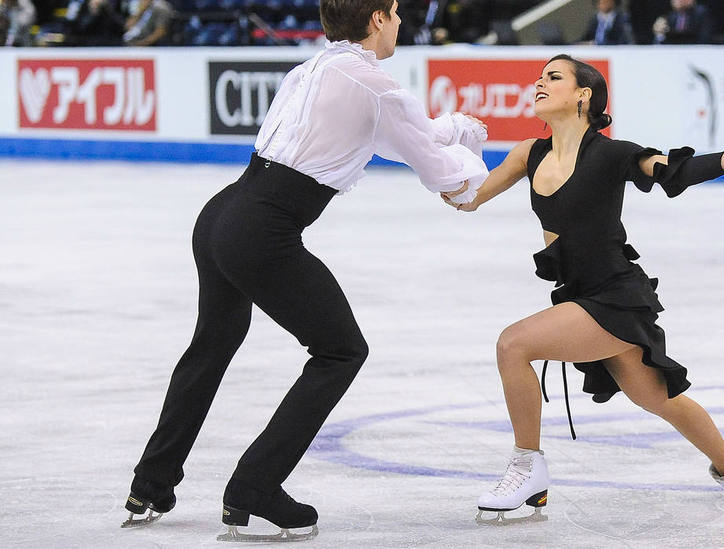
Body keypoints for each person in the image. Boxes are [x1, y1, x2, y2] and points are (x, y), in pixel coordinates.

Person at [123, 0, 489, 541]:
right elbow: (435, 171)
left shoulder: (314, 68)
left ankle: (150, 485)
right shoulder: (376, 86)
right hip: (260, 232)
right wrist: (472, 157)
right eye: (394, 12)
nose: (401, 22)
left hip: (223, 213)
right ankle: (255, 486)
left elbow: (396, 138)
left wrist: (451, 129)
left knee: (213, 343)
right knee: (341, 350)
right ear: (376, 20)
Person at [441, 55, 724, 519]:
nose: (539, 83)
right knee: (657, 398)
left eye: (553, 77)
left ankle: (529, 469)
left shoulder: (611, 153)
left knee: (513, 344)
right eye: (539, 77)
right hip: (578, 295)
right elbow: (468, 198)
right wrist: (435, 155)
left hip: (615, 295)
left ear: (583, 94)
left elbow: (671, 171)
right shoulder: (530, 153)